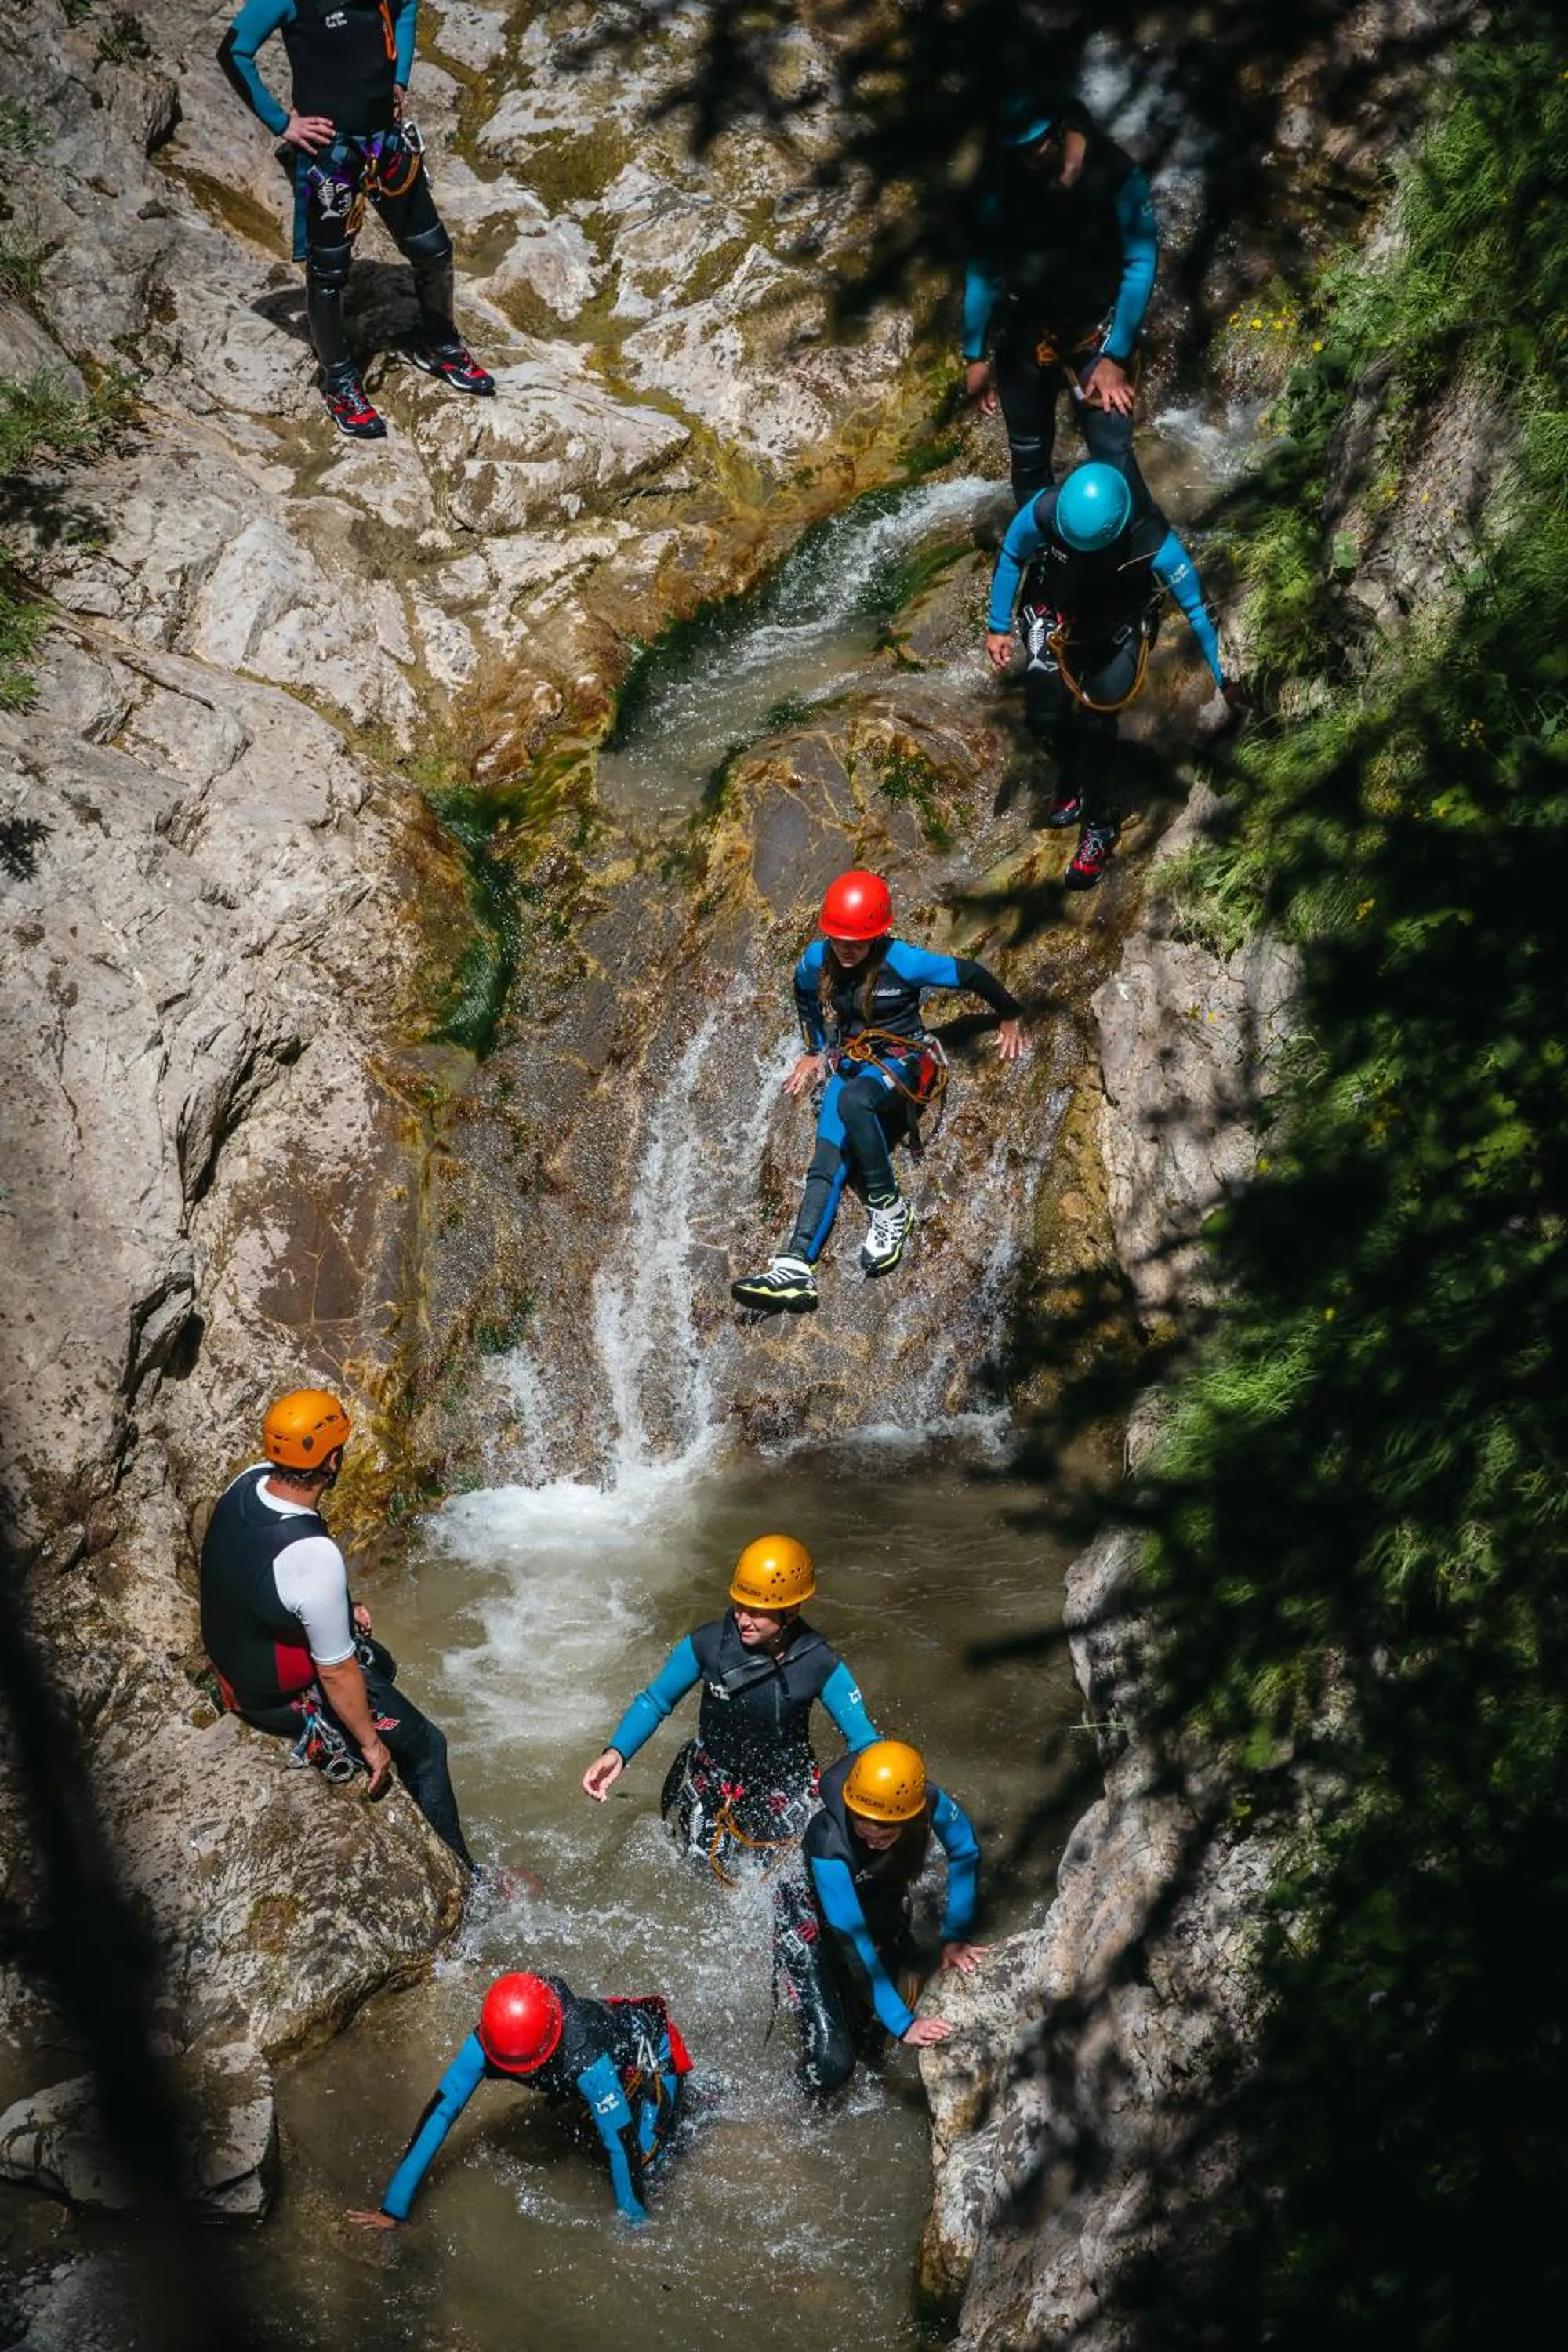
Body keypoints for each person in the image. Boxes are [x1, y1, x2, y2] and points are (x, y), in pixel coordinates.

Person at [729, 871, 1029, 1312]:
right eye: (839, 940)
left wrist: (1009, 1013)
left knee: (851, 1100)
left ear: (879, 933)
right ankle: (795, 1266)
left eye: (858, 941)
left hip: (909, 1063)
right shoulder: (817, 959)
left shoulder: (904, 961)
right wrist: (814, 1050)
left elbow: (968, 974)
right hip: (855, 1065)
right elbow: (803, 991)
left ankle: (891, 1208)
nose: (847, 949)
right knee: (826, 1158)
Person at [199, 1387, 474, 1867]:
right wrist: (371, 1746)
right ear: (331, 1461)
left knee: (381, 1661)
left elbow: (261, 1575)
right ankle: (466, 1874)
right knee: (428, 1746)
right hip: (279, 1702)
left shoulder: (249, 1482)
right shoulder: (312, 1554)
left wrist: (340, 1609)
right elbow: (336, 1673)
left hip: (238, 1664)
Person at [219, 1, 494, 439]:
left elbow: (405, 7)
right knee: (328, 275)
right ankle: (339, 380)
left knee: (434, 251)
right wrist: (282, 124)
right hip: (331, 156)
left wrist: (399, 78)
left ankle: (440, 344)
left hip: (387, 144)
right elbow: (234, 50)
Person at [985, 459, 1246, 888]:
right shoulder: (1046, 511)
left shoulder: (1152, 538)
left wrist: (1225, 677)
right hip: (1054, 613)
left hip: (1117, 626)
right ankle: (1070, 775)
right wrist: (998, 626)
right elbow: (1013, 554)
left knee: (1097, 727)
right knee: (1044, 717)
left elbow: (1198, 608)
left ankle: (1099, 825)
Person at [582, 1536, 878, 1882]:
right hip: (713, 1779)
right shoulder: (706, 1644)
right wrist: (618, 1752)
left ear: (792, 1611)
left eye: (757, 1612)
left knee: (793, 1882)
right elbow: (655, 1701)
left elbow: (865, 1744)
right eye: (739, 1606)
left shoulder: (819, 1663)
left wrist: (883, 1808)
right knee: (702, 1879)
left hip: (786, 1785)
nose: (742, 1620)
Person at [350, 1972, 692, 2228]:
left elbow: (622, 2143)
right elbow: (441, 2112)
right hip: (593, 2045)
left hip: (652, 2052)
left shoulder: (586, 2059)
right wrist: (392, 2210)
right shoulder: (493, 2036)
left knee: (646, 2162)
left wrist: (635, 2227)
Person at [962, 96, 1158, 509]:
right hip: (1024, 334)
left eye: (1035, 147)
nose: (1028, 158)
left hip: (1097, 336)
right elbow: (982, 267)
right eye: (1019, 150)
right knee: (1029, 456)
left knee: (1113, 458)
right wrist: (975, 356)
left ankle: (1136, 555)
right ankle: (1043, 554)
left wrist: (1117, 355)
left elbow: (1140, 261)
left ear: (1058, 131)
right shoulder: (1001, 180)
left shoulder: (1116, 172)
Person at [774, 1739, 983, 2096]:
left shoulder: (927, 1802)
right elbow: (851, 1938)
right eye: (861, 1827)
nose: (870, 1839)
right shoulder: (828, 1841)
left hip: (877, 1908)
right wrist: (904, 2024)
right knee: (832, 2066)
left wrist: (955, 1936)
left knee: (869, 2045)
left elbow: (965, 1852)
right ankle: (787, 2109)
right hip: (813, 1929)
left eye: (883, 1834)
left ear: (908, 1817)